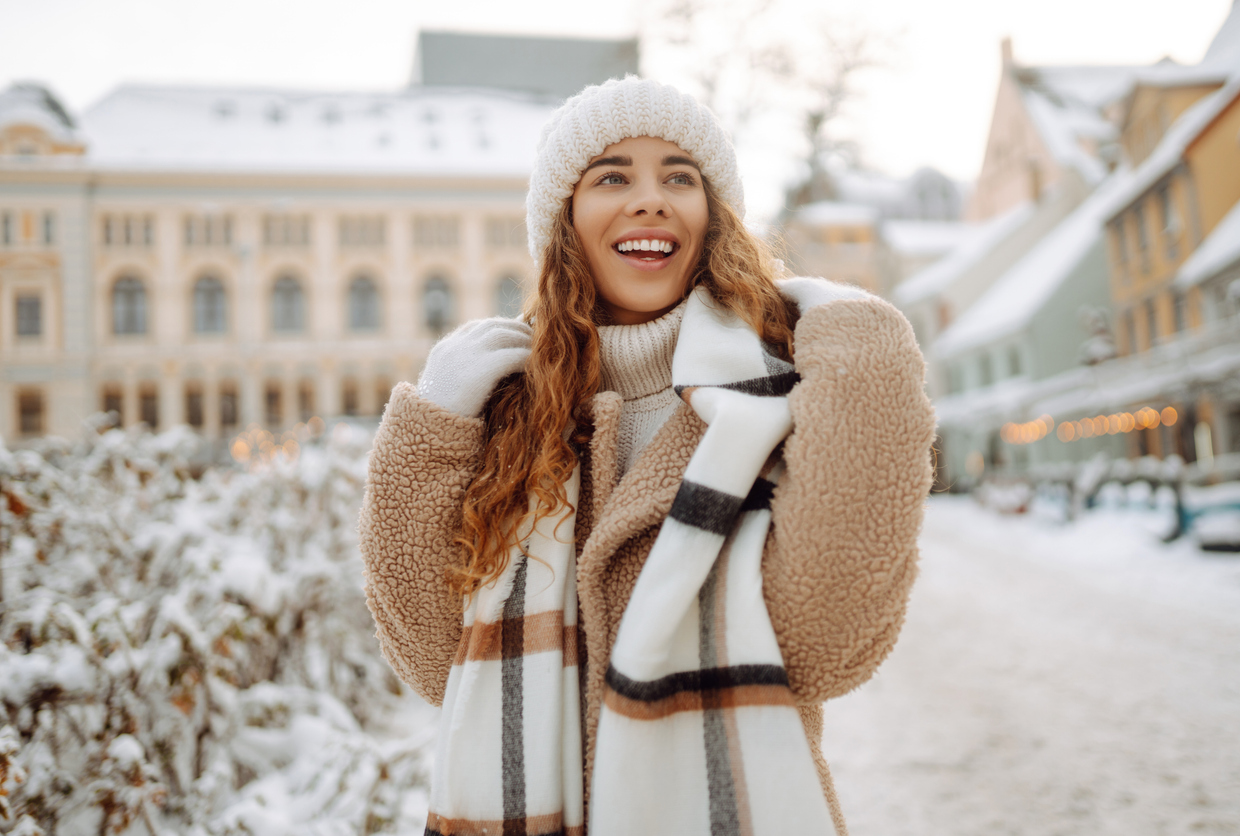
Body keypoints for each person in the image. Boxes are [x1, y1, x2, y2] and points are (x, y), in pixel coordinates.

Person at [359, 77, 934, 836]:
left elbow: (825, 643)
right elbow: (436, 658)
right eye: (612, 176)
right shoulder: (511, 418)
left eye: (679, 177)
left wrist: (867, 348)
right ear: (564, 222)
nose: (651, 198)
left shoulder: (780, 394)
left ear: (710, 217)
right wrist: (430, 427)